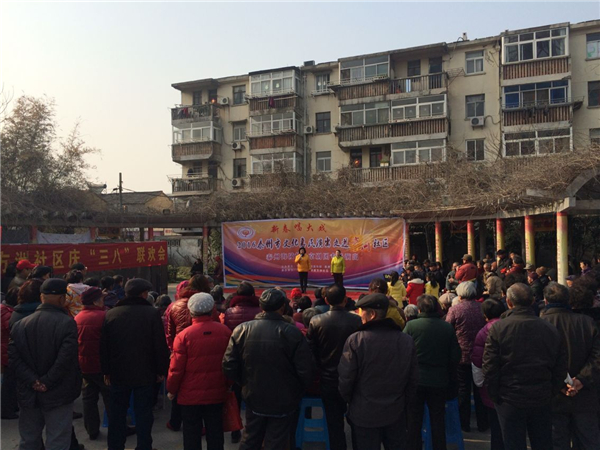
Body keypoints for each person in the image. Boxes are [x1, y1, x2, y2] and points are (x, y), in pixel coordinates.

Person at [222, 288, 313, 450]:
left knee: (251, 437)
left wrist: (245, 382)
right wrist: (296, 390)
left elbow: (229, 365)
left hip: (254, 395)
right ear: (282, 307)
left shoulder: (242, 330)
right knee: (276, 440)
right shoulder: (292, 332)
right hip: (283, 398)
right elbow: (305, 369)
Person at [483, 283, 567, 450]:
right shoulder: (549, 328)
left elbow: (490, 366)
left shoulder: (499, 328)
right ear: (532, 301)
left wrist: (495, 394)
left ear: (509, 302)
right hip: (540, 395)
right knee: (542, 442)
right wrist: (551, 390)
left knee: (513, 443)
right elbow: (560, 366)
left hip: (510, 397)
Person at [9, 278, 81, 450]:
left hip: (29, 392)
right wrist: (47, 381)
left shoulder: (20, 325)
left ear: (42, 297)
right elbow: (65, 359)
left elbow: (14, 358)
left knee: (29, 440)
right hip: (58, 393)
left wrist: (33, 381)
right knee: (57, 440)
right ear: (62, 299)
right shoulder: (67, 323)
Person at [338, 293, 418, 448]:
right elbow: (413, 379)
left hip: (364, 413)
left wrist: (352, 402)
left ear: (372, 314)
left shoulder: (356, 340)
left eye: (362, 311)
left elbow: (346, 379)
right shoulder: (405, 340)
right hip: (395, 412)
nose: (360, 315)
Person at [100, 278, 170, 450]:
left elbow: (104, 346)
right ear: (144, 294)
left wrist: (106, 371)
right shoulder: (151, 314)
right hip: (145, 373)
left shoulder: (111, 314)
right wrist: (161, 370)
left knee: (117, 413)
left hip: (118, 373)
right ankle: (144, 446)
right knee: (144, 414)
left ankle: (115, 446)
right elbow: (159, 345)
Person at [167, 293, 232, 450]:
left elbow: (176, 369)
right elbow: (229, 363)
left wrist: (172, 389)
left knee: (191, 434)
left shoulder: (183, 336)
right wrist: (228, 384)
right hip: (217, 391)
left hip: (189, 396)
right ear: (212, 309)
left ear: (191, 311)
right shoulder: (225, 331)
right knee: (215, 433)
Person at [540, 282, 600, 449]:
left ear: (546, 301)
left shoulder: (540, 324)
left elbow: (540, 360)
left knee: (558, 442)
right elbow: (597, 357)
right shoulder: (587, 322)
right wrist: (581, 380)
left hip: (553, 397)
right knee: (589, 441)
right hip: (585, 396)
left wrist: (561, 383)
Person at [306, 284, 362, 450]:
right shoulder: (357, 320)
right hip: (354, 378)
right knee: (358, 421)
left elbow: (311, 351)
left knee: (334, 423)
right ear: (345, 299)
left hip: (328, 378)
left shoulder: (316, 321)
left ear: (326, 300)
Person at [404, 294, 461, 450]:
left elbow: (403, 352)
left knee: (413, 421)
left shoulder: (411, 326)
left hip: (416, 380)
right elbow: (455, 356)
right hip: (439, 380)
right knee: (438, 420)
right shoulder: (447, 327)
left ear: (419, 309)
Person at [445, 281, 488, 432]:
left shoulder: (455, 310)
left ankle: (464, 424)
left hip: (461, 355)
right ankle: (483, 423)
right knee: (480, 389)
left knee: (463, 390)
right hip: (480, 354)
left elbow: (448, 328)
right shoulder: (482, 308)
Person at [74, 287, 111, 441]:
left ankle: (92, 430)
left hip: (84, 365)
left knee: (89, 398)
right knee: (110, 398)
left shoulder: (77, 317)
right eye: (101, 298)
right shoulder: (104, 316)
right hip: (103, 366)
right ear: (95, 301)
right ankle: (117, 428)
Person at [471, 299, 506, 450]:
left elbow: (478, 361)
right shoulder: (511, 326)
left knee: (497, 429)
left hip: (493, 386)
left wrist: (480, 382)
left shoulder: (484, 331)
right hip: (515, 386)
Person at [1, 287, 19, 419]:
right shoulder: (8, 314)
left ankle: (10, 405)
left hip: (4, 349)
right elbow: (13, 330)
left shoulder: (3, 309)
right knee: (9, 382)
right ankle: (6, 409)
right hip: (5, 350)